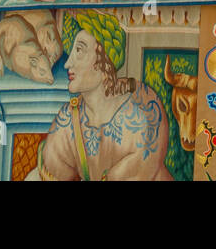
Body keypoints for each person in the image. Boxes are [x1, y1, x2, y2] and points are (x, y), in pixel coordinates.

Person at [31, 12, 171, 181]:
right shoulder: (68, 120)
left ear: (104, 62)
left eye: (80, 51)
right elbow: (53, 167)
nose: (68, 64)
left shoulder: (142, 113)